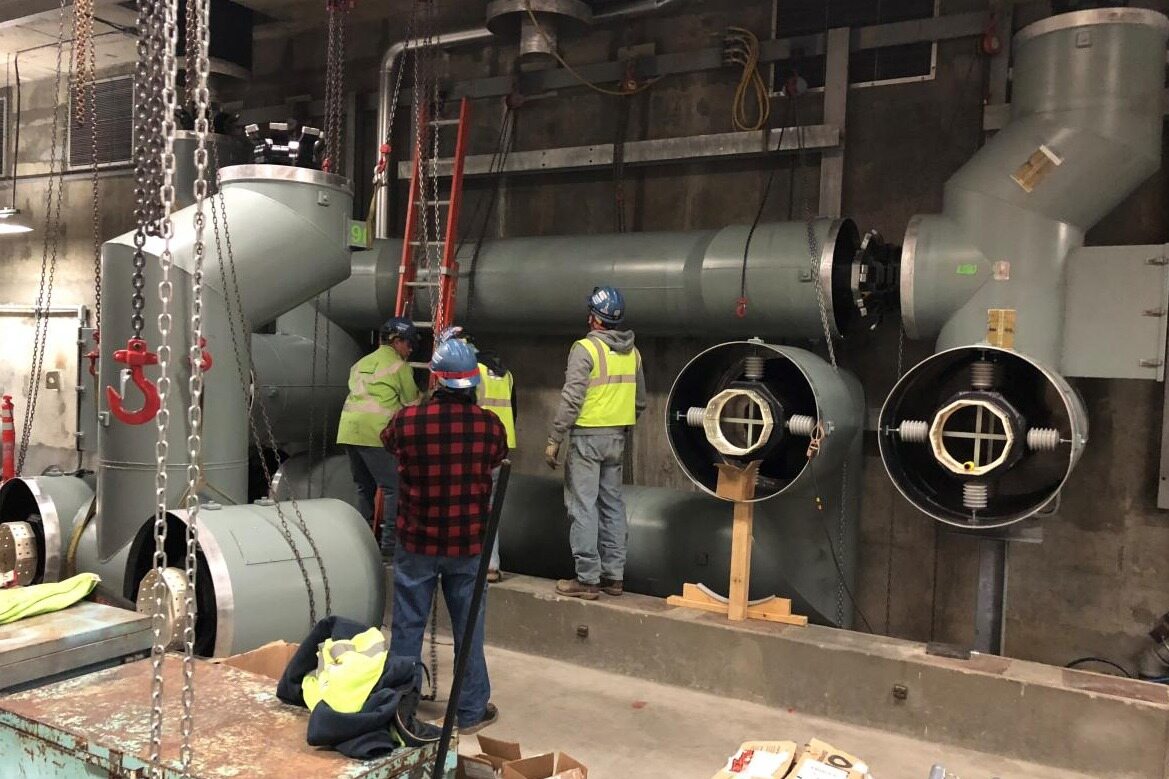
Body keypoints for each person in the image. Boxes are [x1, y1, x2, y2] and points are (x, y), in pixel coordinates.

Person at [381, 335, 507, 733]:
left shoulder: (407, 421)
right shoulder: (490, 426)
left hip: (417, 542)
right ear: (473, 383)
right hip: (466, 545)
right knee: (468, 629)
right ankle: (470, 711)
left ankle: (400, 711)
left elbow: (388, 441)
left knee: (407, 627)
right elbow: (497, 457)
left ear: (436, 378)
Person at [545, 286, 646, 600]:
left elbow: (572, 398)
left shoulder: (585, 349)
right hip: (617, 437)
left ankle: (587, 578)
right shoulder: (633, 353)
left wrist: (555, 438)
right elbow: (639, 402)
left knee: (583, 506)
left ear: (594, 318)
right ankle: (614, 577)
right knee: (612, 504)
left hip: (587, 438)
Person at [336, 316, 419, 555]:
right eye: (409, 344)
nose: (410, 350)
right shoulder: (400, 367)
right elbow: (412, 403)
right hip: (376, 433)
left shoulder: (360, 363)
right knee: (394, 487)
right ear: (397, 341)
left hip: (349, 430)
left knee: (364, 488)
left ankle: (360, 546)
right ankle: (389, 547)